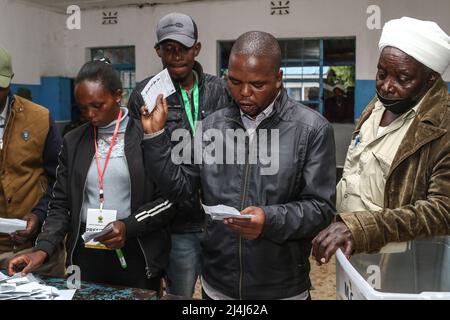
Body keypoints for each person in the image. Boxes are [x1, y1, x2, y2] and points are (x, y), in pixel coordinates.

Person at [140, 31, 336, 299]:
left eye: (257, 85)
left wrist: (269, 220)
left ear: (278, 79)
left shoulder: (311, 129)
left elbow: (321, 208)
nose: (244, 93)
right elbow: (180, 190)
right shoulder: (210, 126)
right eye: (234, 81)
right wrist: (154, 137)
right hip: (218, 285)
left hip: (281, 287)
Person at [8, 60, 174, 292]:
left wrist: (129, 226)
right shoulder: (74, 141)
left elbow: (168, 200)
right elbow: (60, 203)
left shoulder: (145, 135)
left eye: (97, 105)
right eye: (83, 108)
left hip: (135, 248)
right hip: (86, 252)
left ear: (117, 95)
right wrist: (42, 249)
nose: (90, 114)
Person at [312, 17, 450, 263]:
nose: (387, 86)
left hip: (400, 261)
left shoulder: (442, 127)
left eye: (403, 79)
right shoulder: (377, 107)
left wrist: (363, 228)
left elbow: (443, 211)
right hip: (352, 249)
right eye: (382, 73)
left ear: (430, 79)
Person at [127, 12, 231, 297]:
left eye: (183, 48)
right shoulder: (145, 95)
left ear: (196, 48)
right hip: (176, 223)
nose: (175, 56)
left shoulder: (222, 90)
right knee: (179, 295)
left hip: (221, 221)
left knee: (223, 294)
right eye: (168, 49)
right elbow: (141, 162)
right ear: (157, 51)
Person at [0, 47, 65, 277]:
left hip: (33, 251)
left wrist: (38, 214)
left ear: (10, 81)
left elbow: (59, 180)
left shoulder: (39, 119)